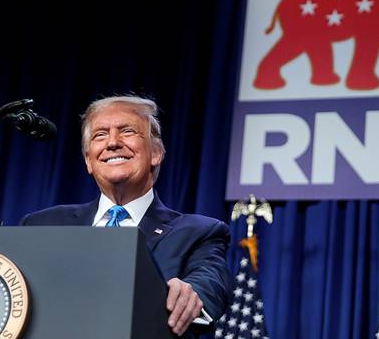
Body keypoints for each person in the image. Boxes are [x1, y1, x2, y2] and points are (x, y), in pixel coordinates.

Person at [21, 95, 231, 337]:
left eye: (127, 131)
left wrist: (191, 293)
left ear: (156, 153)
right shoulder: (42, 225)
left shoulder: (199, 232)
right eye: (100, 135)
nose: (112, 143)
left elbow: (211, 280)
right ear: (89, 160)